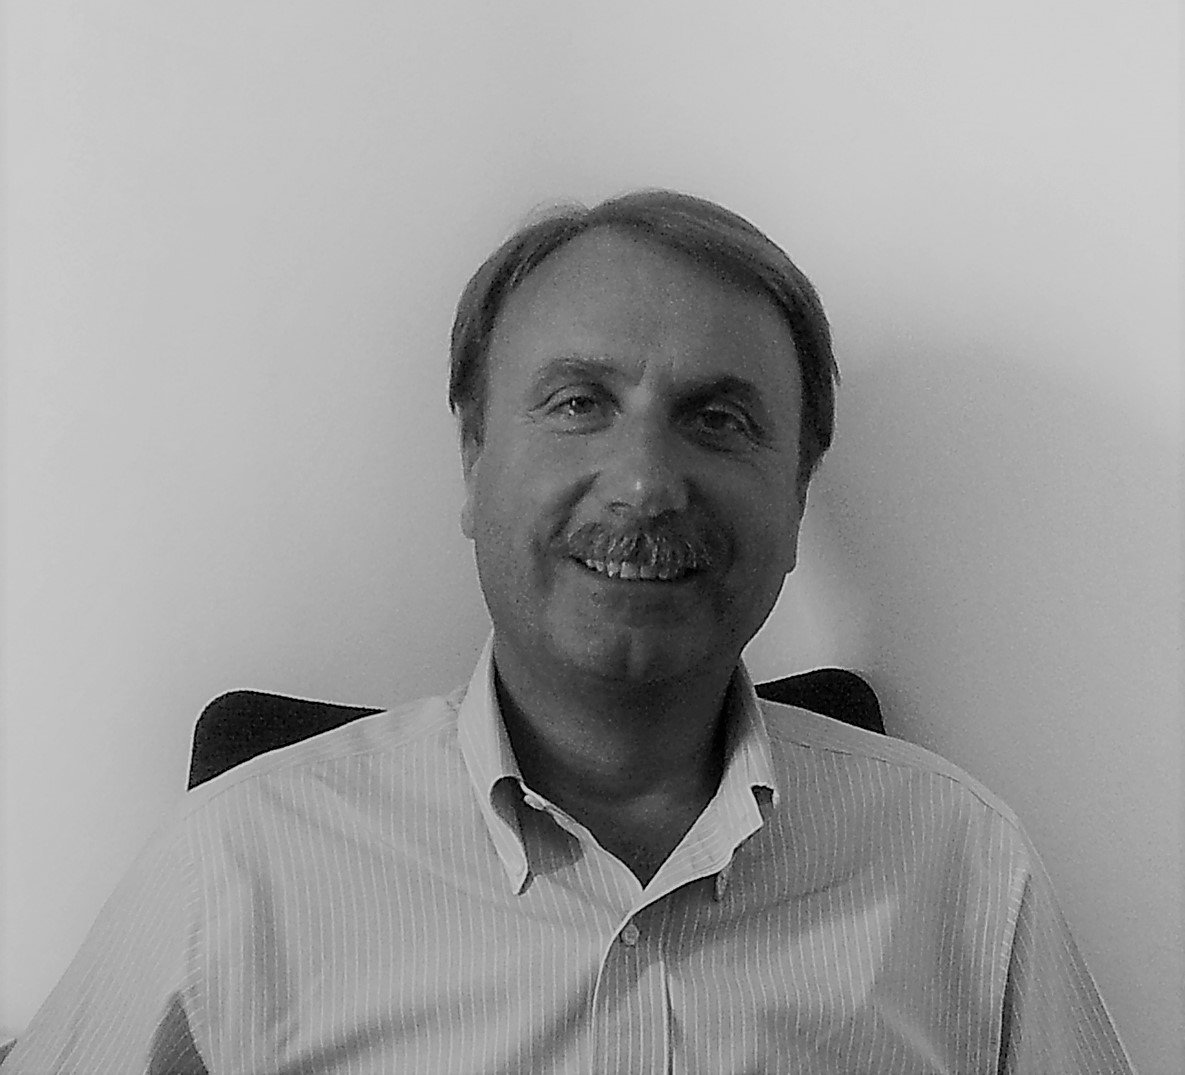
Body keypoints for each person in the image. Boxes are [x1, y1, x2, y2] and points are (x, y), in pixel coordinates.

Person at [3, 190, 1134, 1073]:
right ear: (473, 458)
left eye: (718, 419)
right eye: (579, 403)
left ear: (796, 495)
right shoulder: (235, 867)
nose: (644, 483)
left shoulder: (962, 866)